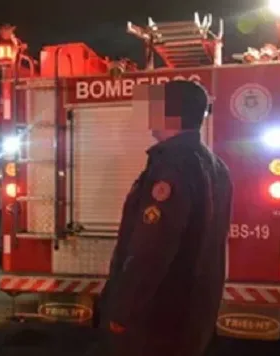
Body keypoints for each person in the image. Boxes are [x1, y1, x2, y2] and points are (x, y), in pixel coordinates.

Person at [101, 80, 232, 356]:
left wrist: (124, 310)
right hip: (193, 315)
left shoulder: (171, 167)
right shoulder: (217, 166)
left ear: (169, 113)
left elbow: (153, 248)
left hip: (158, 319)